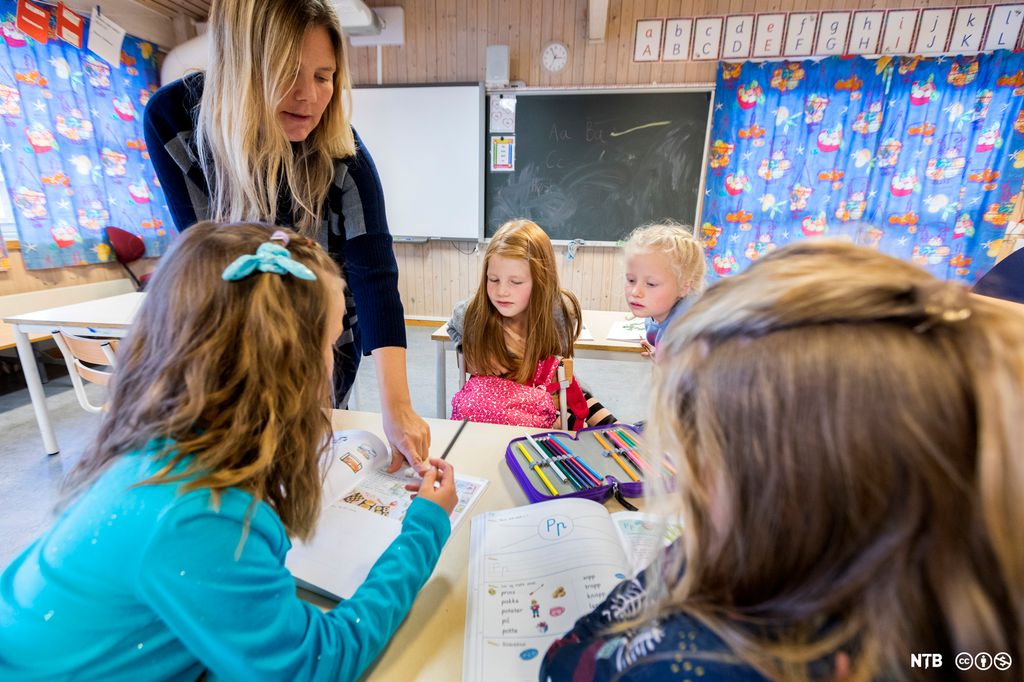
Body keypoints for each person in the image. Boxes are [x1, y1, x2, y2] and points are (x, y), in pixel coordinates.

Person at [541, 240, 1024, 681]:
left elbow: (563, 665)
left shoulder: (698, 661)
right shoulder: (926, 601)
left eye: (698, 448)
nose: (687, 472)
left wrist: (693, 556)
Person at [0, 223, 458, 681]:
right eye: (329, 344)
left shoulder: (168, 449)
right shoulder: (198, 514)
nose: (333, 362)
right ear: (287, 366)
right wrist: (426, 526)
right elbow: (314, 663)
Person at [142, 0, 428, 471]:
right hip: (233, 328)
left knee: (307, 454)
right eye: (288, 73)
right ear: (244, 67)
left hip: (323, 335)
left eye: (323, 76)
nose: (309, 97)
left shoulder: (344, 154)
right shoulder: (175, 119)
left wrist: (397, 406)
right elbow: (206, 261)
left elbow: (375, 275)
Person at [447, 219, 615, 429]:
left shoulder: (558, 312)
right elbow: (452, 326)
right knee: (567, 415)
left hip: (540, 395)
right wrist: (471, 348)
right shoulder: (473, 311)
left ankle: (616, 428)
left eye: (515, 282)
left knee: (578, 403)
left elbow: (559, 373)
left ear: (541, 281)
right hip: (499, 406)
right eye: (493, 279)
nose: (501, 291)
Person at [623, 221, 707, 356]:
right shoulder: (658, 310)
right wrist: (659, 350)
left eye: (651, 284)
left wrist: (665, 357)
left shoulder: (687, 334)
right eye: (631, 280)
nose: (635, 292)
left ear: (684, 286)